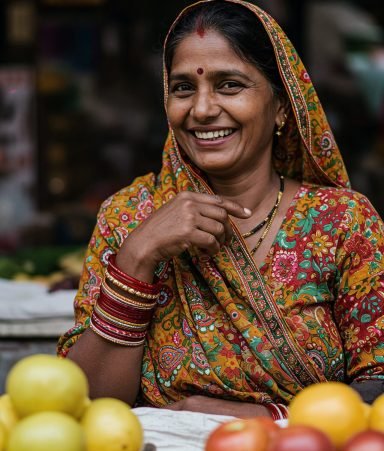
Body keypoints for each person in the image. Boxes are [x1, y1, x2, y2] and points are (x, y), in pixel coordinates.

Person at [58, 0, 384, 419]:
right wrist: (137, 258)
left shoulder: (342, 222)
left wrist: (264, 419)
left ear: (283, 105)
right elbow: (84, 404)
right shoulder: (128, 216)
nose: (202, 109)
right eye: (182, 88)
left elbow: (378, 386)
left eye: (229, 85)